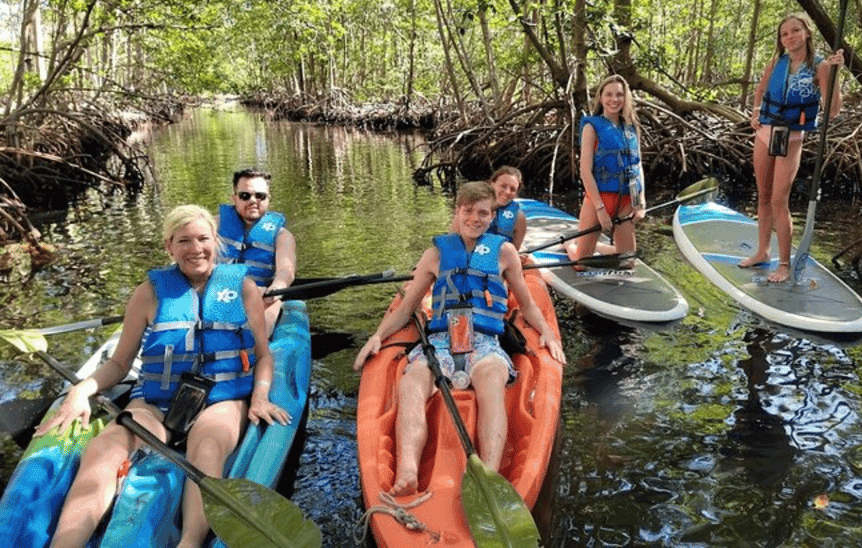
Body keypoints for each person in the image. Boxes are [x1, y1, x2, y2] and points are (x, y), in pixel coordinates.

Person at [37, 205, 291, 548]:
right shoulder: (148, 293)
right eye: (183, 240)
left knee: (209, 445)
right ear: (168, 246)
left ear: (215, 242)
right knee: (105, 448)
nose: (195, 248)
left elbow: (263, 356)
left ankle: (189, 541)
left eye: (203, 238)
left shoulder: (243, 289)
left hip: (222, 398)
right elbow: (120, 364)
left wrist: (259, 396)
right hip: (157, 400)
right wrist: (82, 389)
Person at [352, 181, 566, 496]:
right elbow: (407, 308)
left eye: (483, 213)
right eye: (468, 211)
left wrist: (547, 331)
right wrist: (377, 336)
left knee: (492, 381)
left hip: (483, 343)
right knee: (412, 383)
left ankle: (489, 476)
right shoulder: (436, 254)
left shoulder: (504, 252)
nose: (474, 219)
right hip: (439, 343)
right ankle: (408, 471)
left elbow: (528, 304)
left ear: (492, 217)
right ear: (458, 211)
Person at [738, 13, 844, 283]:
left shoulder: (820, 66)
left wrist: (836, 75)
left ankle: (784, 264)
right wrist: (755, 111)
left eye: (795, 30)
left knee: (778, 200)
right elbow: (761, 90)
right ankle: (762, 251)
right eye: (784, 34)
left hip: (792, 135)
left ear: (807, 33)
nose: (790, 37)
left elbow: (832, 111)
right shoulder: (775, 63)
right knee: (762, 195)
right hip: (765, 131)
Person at [566, 74, 646, 266]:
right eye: (609, 94)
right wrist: (600, 209)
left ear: (625, 98)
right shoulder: (591, 126)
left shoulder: (632, 127)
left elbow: (637, 165)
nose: (614, 100)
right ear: (601, 97)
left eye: (619, 94)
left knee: (627, 263)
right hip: (598, 200)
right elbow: (585, 170)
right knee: (581, 264)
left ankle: (601, 248)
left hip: (626, 201)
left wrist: (640, 201)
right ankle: (570, 245)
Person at [216, 168, 297, 334]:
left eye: (260, 196)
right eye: (245, 196)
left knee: (273, 304)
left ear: (268, 199)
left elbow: (286, 271)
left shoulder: (282, 236)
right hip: (218, 294)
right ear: (234, 199)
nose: (253, 201)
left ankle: (256, 349)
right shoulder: (211, 226)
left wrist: (277, 288)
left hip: (260, 297)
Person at [450, 165, 527, 249]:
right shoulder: (469, 209)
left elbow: (515, 250)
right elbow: (452, 242)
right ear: (492, 183)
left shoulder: (519, 218)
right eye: (503, 186)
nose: (507, 192)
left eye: (513, 189)